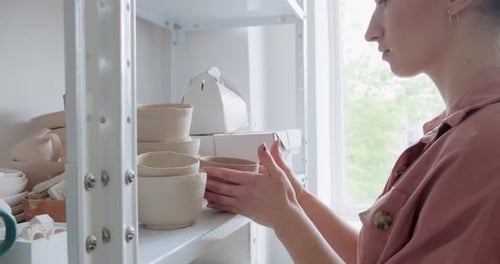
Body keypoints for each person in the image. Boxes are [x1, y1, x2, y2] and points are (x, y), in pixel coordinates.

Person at [203, 0, 500, 262]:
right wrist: (297, 198)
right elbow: (376, 257)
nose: (370, 32)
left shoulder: (485, 144)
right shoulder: (457, 130)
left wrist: (284, 219)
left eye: (384, 1)